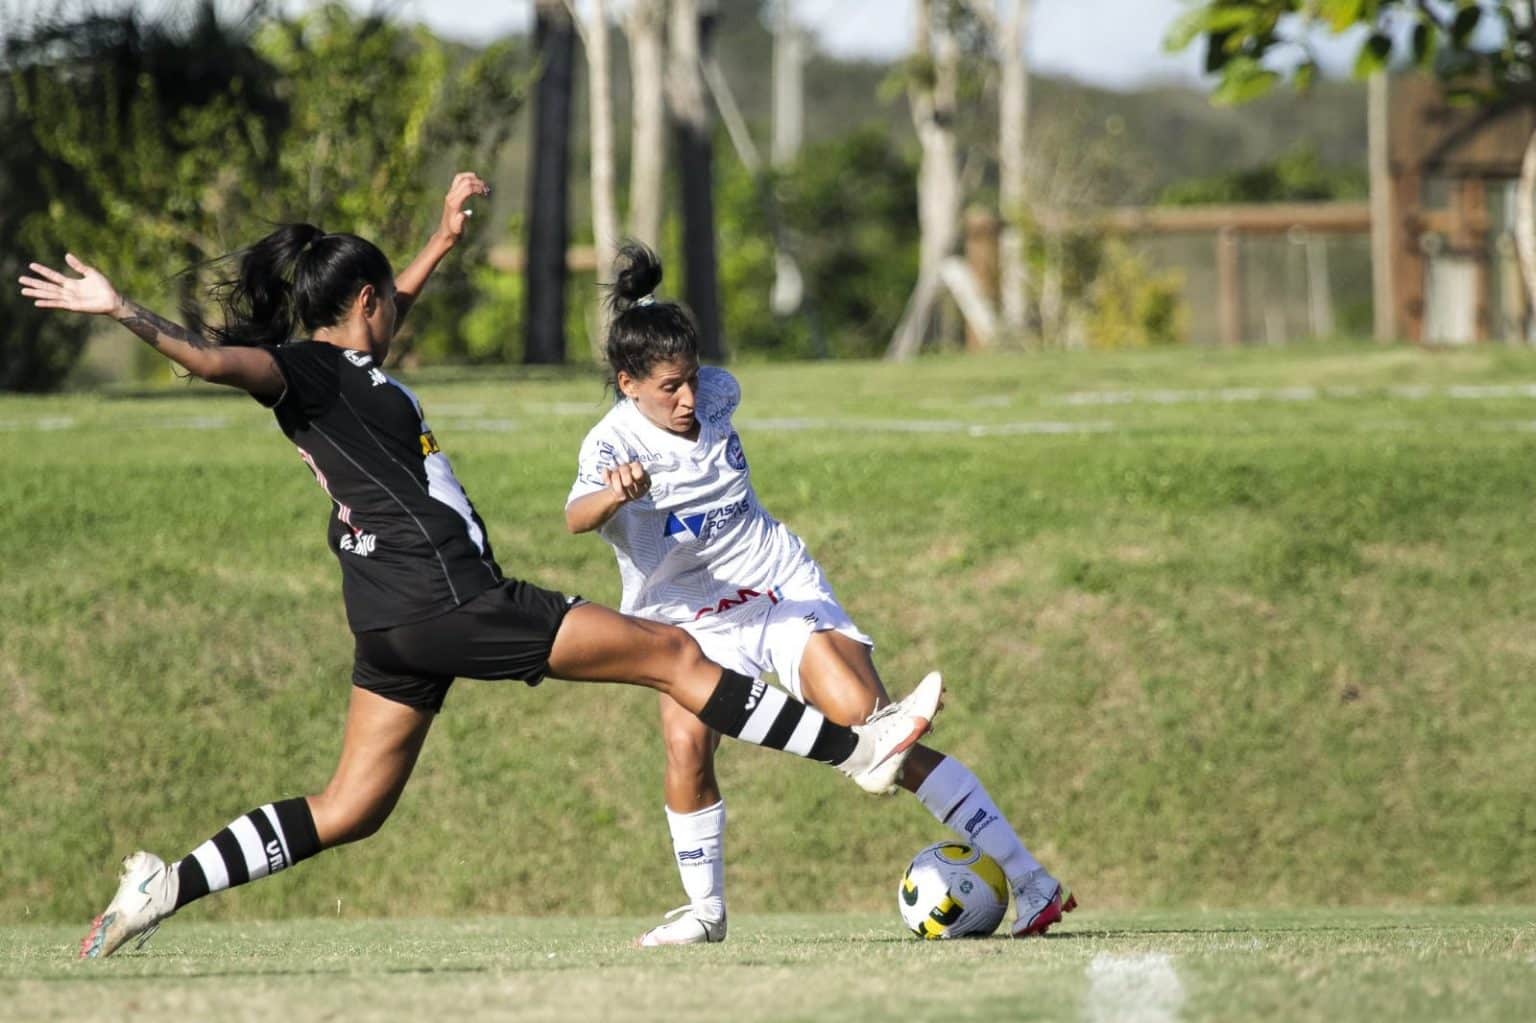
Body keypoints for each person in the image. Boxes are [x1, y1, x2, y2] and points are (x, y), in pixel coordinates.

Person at [17, 174, 942, 960]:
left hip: (388, 616)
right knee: (670, 651)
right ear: (365, 304)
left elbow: (377, 321)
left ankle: (163, 885)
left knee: (349, 806)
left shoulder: (348, 371)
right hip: (452, 592)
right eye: (387, 299)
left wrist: (440, 241)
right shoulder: (308, 371)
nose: (395, 312)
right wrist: (125, 311)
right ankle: (861, 747)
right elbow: (220, 361)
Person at [566, 244, 1075, 946]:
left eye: (690, 378)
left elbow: (702, 401)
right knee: (686, 749)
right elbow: (574, 516)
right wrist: (615, 492)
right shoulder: (609, 445)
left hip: (776, 589)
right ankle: (706, 913)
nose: (688, 397)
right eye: (668, 388)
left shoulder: (719, 391)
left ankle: (1032, 882)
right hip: (684, 619)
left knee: (881, 740)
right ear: (627, 383)